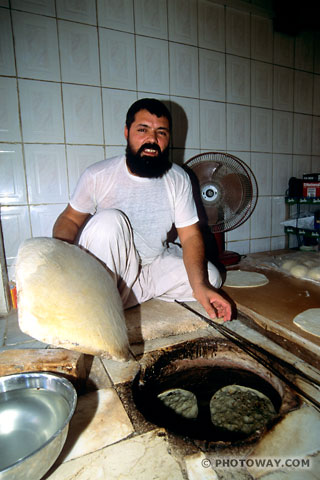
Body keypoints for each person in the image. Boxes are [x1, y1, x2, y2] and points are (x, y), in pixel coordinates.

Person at [53, 98, 232, 321]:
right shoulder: (98, 174)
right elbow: (70, 220)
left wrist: (200, 286)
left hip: (151, 266)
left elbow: (190, 236)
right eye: (143, 130)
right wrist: (60, 263)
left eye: (162, 133)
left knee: (211, 279)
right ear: (127, 132)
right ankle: (104, 296)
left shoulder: (178, 178)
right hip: (112, 270)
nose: (152, 139)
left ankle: (113, 299)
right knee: (109, 221)